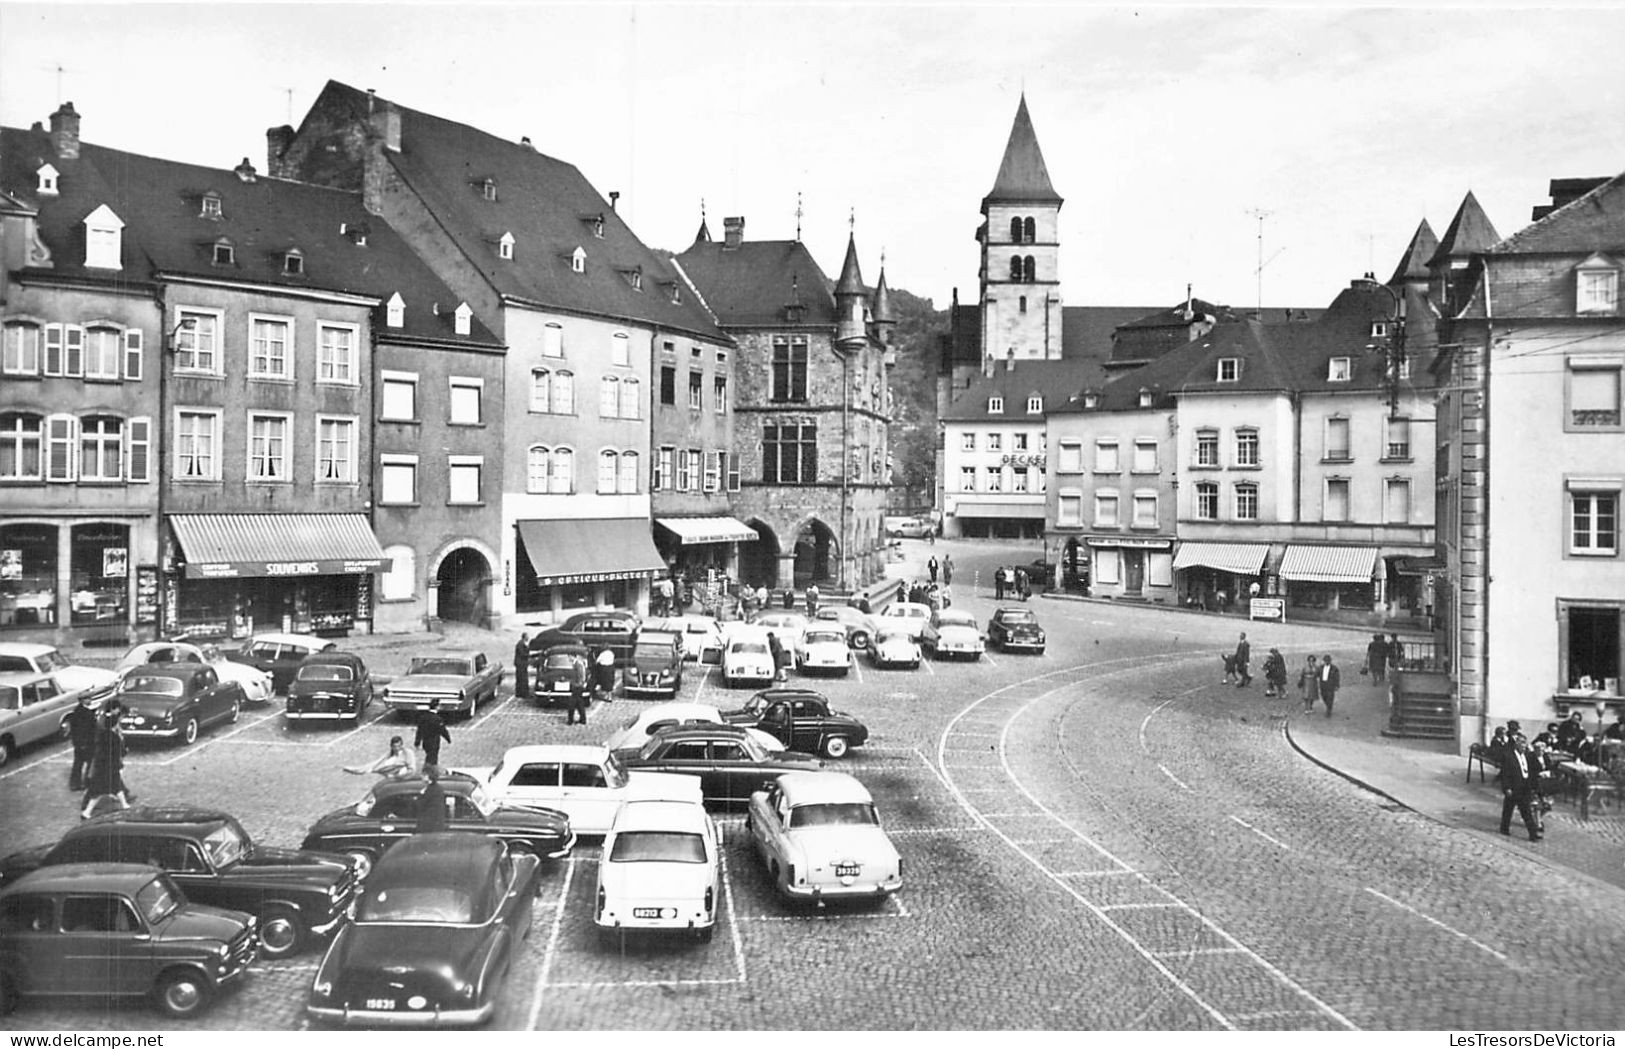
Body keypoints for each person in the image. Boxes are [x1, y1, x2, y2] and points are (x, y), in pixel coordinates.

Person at [81, 701, 129, 819]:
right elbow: (120, 752)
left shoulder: (103, 735)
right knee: (101, 790)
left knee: (115, 787)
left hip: (102, 766)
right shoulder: (114, 738)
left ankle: (124, 805)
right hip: (109, 767)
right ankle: (87, 810)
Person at [1498, 734, 1543, 841]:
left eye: (1525, 743)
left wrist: (1539, 755)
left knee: (1526, 811)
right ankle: (1504, 828)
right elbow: (1505, 773)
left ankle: (1533, 833)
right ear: (1516, 744)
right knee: (1508, 809)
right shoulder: (1509, 756)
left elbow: (1538, 768)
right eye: (1521, 743)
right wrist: (1507, 788)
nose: (1524, 745)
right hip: (1513, 786)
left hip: (1524, 786)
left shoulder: (1528, 755)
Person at [65, 690, 101, 792]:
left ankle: (76, 783)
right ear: (83, 700)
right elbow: (82, 729)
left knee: (78, 764)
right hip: (85, 743)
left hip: (81, 743)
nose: (90, 700)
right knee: (87, 763)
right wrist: (83, 743)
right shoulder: (84, 713)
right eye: (88, 698)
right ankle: (86, 782)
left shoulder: (78, 711)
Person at [345, 735, 418, 779]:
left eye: (398, 746)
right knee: (371, 767)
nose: (396, 748)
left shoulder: (408, 753)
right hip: (388, 769)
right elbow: (379, 762)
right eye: (394, 747)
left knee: (402, 769)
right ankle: (356, 770)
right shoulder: (390, 754)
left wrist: (399, 776)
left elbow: (412, 769)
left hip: (400, 772)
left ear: (402, 745)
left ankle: (359, 770)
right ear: (391, 746)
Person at [414, 698, 451, 771]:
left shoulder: (423, 717)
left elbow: (419, 730)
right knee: (433, 757)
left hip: (425, 741)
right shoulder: (437, 719)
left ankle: (430, 769)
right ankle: (429, 770)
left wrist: (417, 742)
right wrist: (448, 739)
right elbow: (443, 730)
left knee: (429, 755)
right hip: (434, 741)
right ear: (437, 707)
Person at [416, 767, 449, 834]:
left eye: (424, 774)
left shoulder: (430, 791)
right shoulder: (437, 788)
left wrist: (421, 794)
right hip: (435, 826)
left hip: (430, 828)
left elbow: (419, 805)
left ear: (429, 776)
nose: (421, 776)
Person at [514, 633, 530, 700]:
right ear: (524, 637)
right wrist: (529, 655)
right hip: (520, 664)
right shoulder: (520, 644)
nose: (528, 637)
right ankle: (520, 693)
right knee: (521, 678)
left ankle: (524, 692)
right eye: (527, 636)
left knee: (523, 678)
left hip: (523, 664)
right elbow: (522, 654)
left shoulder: (523, 643)